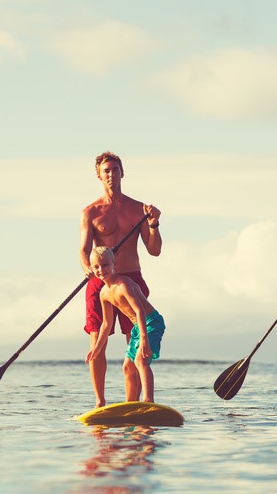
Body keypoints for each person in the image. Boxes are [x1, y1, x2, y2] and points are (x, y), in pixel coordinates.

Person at [80, 151, 161, 408]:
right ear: (98, 176)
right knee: (98, 341)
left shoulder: (138, 210)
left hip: (131, 279)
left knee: (136, 342)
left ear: (122, 173)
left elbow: (154, 250)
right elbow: (83, 250)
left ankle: (133, 403)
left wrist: (154, 224)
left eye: (115, 170)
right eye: (106, 171)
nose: (111, 175)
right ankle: (100, 402)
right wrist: (87, 268)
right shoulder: (91, 212)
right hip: (101, 281)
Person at [86, 246, 166, 404]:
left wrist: (144, 339)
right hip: (138, 328)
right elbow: (107, 324)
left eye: (105, 265)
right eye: (96, 266)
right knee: (127, 367)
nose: (101, 269)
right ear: (91, 268)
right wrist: (97, 348)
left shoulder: (123, 285)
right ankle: (131, 405)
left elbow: (139, 310)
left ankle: (148, 401)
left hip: (151, 322)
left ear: (114, 264)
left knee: (140, 361)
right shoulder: (104, 293)